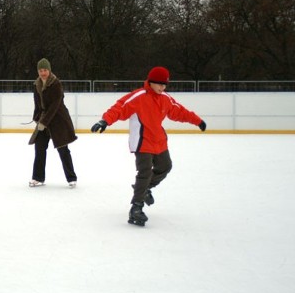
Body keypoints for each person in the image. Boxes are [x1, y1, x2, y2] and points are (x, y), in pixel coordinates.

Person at [90, 66, 207, 226]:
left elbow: (180, 112)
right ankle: (136, 208)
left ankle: (144, 189)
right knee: (144, 172)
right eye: (159, 84)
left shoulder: (165, 98)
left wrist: (197, 120)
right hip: (142, 141)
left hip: (159, 141)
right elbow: (119, 108)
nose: (162, 87)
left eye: (164, 84)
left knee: (165, 166)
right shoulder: (138, 96)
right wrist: (105, 121)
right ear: (150, 82)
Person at [29, 58, 78, 188]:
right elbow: (38, 105)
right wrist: (36, 117)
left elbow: (55, 106)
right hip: (44, 120)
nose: (43, 73)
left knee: (63, 149)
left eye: (45, 70)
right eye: (40, 70)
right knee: (39, 148)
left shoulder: (56, 84)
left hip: (58, 120)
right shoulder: (36, 85)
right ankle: (38, 177)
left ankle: (71, 178)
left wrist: (44, 121)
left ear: (49, 70)